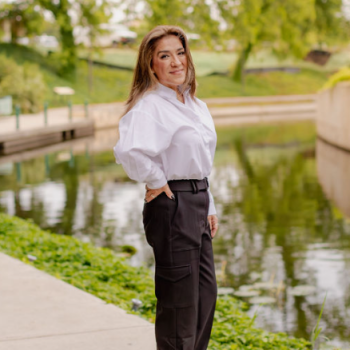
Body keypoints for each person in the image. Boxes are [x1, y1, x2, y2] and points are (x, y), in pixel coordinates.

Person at [113, 25, 219, 350]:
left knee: (205, 295)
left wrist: (209, 204)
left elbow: (199, 159)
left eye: (180, 52)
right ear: (151, 64)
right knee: (179, 308)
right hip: (174, 206)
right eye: (165, 56)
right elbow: (129, 151)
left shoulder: (193, 104)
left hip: (197, 202)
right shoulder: (150, 106)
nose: (176, 62)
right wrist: (157, 180)